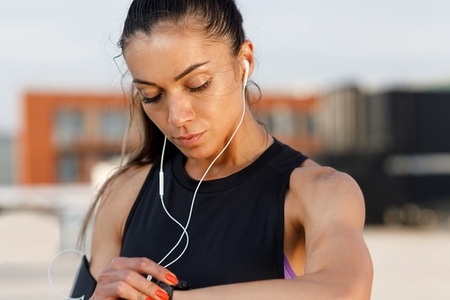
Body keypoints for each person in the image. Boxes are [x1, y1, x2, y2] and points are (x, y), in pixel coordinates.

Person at [71, 0, 373, 299]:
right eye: (152, 96)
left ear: (244, 63)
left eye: (198, 85)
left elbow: (345, 290)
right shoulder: (126, 191)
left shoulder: (317, 191)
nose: (177, 117)